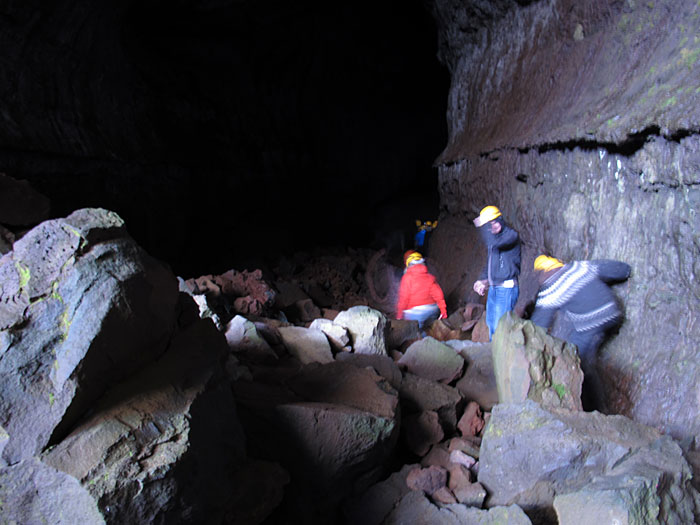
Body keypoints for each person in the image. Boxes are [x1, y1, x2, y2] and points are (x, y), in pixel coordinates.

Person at [529, 255, 631, 411]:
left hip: (593, 324)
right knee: (574, 341)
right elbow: (615, 269)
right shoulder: (578, 267)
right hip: (613, 312)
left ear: (543, 273)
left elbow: (537, 326)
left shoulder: (550, 289)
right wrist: (626, 270)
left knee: (576, 359)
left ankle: (597, 409)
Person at [472, 205, 521, 340]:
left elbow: (495, 243)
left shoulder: (511, 235)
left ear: (500, 219)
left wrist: (483, 226)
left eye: (494, 222)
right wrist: (482, 280)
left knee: (501, 328)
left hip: (506, 289)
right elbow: (490, 264)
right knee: (492, 325)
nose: (492, 226)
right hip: (494, 289)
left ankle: (502, 357)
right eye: (489, 225)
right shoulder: (493, 242)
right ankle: (494, 354)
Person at [396, 250, 447, 330]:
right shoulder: (429, 277)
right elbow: (438, 294)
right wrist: (443, 310)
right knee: (431, 330)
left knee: (414, 332)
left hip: (416, 312)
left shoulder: (407, 278)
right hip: (432, 310)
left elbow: (404, 298)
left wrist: (399, 315)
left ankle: (420, 338)